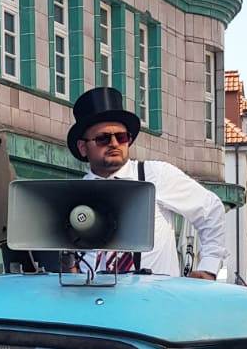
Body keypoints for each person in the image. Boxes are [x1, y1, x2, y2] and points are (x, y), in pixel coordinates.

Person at [66, 86, 226, 278]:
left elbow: (210, 209)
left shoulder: (155, 175)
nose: (114, 143)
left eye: (121, 137)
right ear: (83, 147)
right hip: (94, 295)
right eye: (103, 138)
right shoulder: (76, 194)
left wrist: (209, 267)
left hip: (155, 295)